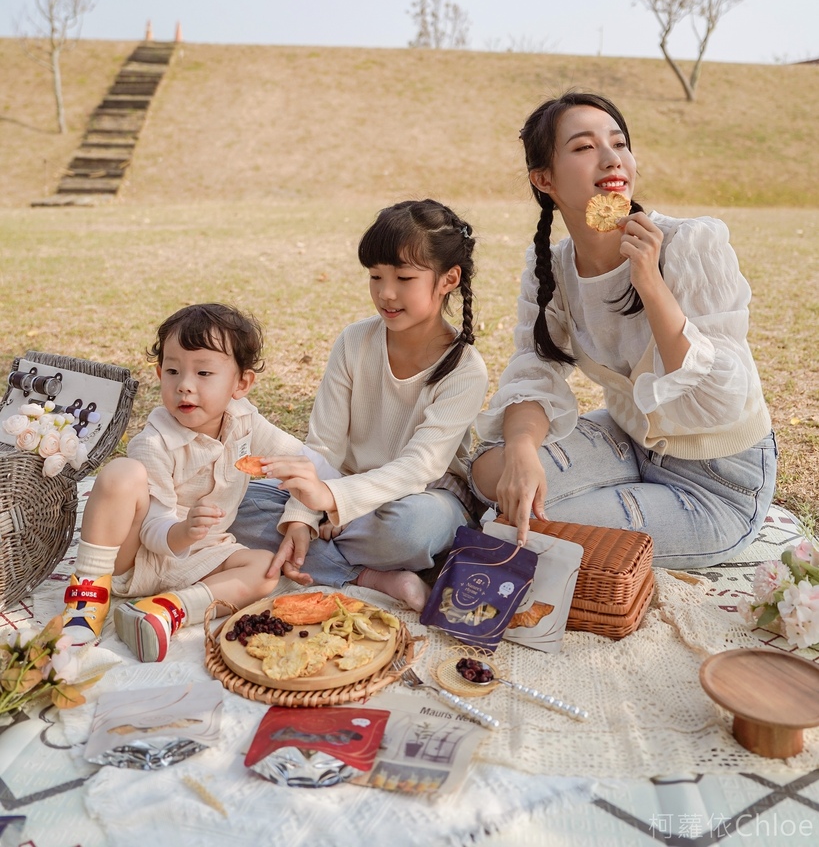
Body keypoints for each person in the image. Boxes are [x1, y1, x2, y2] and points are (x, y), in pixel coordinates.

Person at [469, 91, 776, 569]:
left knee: (524, 532)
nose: (612, 158)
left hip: (717, 482)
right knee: (492, 474)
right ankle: (614, 488)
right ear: (543, 178)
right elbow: (536, 364)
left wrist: (651, 284)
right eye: (584, 147)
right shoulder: (552, 266)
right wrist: (523, 448)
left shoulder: (691, 242)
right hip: (630, 438)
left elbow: (721, 397)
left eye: (619, 143)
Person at [229, 199, 488, 611]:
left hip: (421, 499)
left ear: (448, 279)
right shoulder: (354, 341)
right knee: (234, 499)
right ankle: (371, 577)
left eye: (404, 277)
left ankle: (336, 548)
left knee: (409, 532)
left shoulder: (466, 370)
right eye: (375, 276)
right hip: (337, 490)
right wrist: (300, 515)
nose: (386, 293)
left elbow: (418, 468)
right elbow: (324, 446)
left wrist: (332, 500)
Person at [61, 303, 339, 661]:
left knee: (265, 569)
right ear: (160, 373)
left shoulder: (244, 421)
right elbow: (154, 528)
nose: (185, 386)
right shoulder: (155, 441)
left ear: (242, 383)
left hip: (204, 555)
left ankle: (166, 610)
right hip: (137, 558)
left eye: (204, 373)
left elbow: (302, 461)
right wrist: (185, 531)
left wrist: (331, 503)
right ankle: (86, 596)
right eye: (173, 371)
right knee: (121, 474)